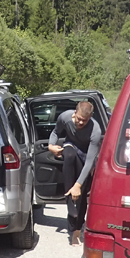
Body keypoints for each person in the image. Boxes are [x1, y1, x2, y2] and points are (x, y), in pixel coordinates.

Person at [48, 101, 102, 245]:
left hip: (86, 155)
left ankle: (77, 230)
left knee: (82, 194)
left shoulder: (95, 130)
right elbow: (55, 132)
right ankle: (69, 203)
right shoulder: (65, 117)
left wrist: (78, 185)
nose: (81, 122)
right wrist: (51, 146)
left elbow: (89, 161)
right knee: (69, 155)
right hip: (71, 146)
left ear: (90, 117)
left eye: (85, 120)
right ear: (74, 113)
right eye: (79, 119)